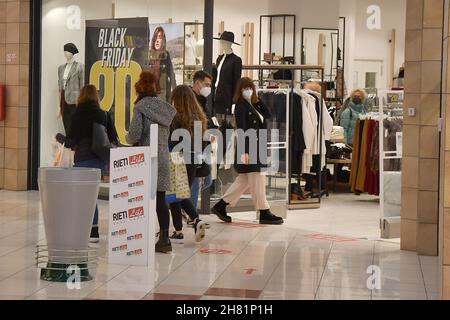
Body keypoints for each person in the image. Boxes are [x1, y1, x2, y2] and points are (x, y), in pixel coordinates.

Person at [212, 77, 284, 225]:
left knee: (244, 180)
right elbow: (242, 131)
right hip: (250, 148)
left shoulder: (254, 105)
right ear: (240, 90)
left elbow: (269, 115)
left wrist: (258, 100)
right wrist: (245, 152)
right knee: (258, 178)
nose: (248, 91)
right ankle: (264, 211)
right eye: (245, 89)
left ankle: (221, 205)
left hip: (258, 146)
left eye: (250, 88)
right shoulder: (240, 106)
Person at [126, 71, 177, 253]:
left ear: (139, 89)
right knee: (161, 198)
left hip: (146, 158)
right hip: (163, 156)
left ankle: (140, 235)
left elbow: (134, 134)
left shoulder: (140, 107)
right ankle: (164, 239)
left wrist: (126, 138)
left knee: (142, 198)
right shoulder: (165, 108)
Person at [61, 84, 119, 243]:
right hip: (99, 160)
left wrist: (61, 138)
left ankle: (83, 228)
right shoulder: (103, 114)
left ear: (81, 96)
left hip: (82, 160)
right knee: (92, 195)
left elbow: (70, 142)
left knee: (82, 196)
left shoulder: (76, 115)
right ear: (96, 97)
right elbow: (113, 138)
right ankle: (93, 231)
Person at [168, 85, 208, 243]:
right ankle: (178, 231)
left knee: (176, 195)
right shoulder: (199, 116)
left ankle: (195, 220)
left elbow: (171, 139)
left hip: (178, 157)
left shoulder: (175, 116)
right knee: (179, 195)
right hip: (193, 160)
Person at [189, 71, 215, 214]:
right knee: (195, 182)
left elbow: (206, 120)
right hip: (194, 145)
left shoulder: (202, 100)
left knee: (207, 180)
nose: (208, 88)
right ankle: (191, 214)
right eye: (206, 84)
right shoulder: (191, 99)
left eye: (210, 85)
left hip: (204, 145)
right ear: (197, 83)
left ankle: (187, 210)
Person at [149, 26, 176, 102]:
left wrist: (175, 90)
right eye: (156, 37)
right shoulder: (149, 55)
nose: (157, 40)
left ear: (163, 40)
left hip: (162, 93)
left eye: (160, 37)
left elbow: (171, 74)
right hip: (150, 93)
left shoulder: (166, 55)